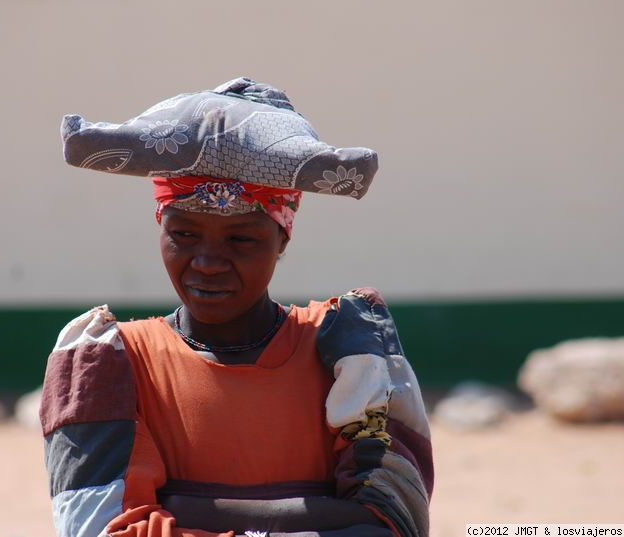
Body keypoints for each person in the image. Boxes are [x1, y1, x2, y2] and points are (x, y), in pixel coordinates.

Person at [40, 78, 433, 537]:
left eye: (241, 239)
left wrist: (186, 508)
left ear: (282, 237)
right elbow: (100, 528)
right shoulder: (109, 361)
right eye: (184, 235)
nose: (207, 263)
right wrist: (314, 512)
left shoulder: (348, 347)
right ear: (159, 228)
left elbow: (392, 522)